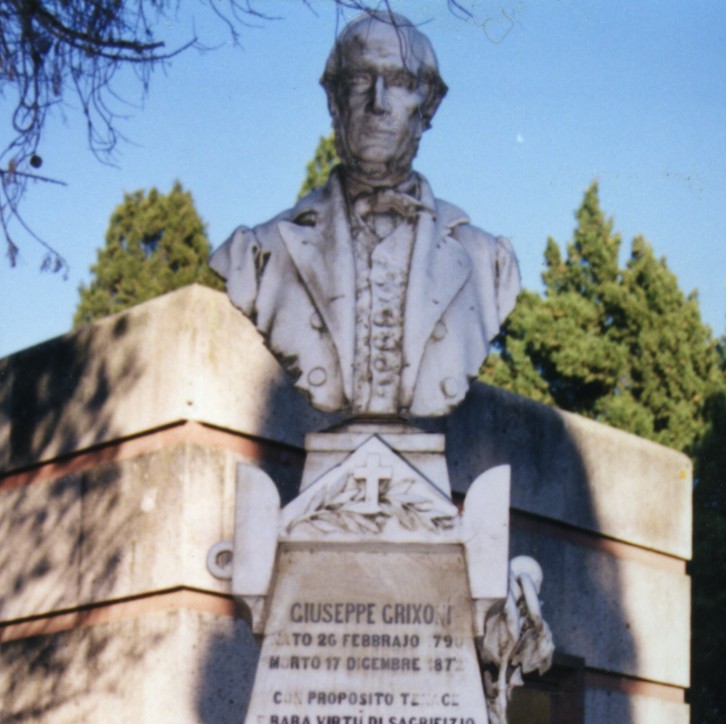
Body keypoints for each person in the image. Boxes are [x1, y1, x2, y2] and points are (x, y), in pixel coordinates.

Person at [210, 10, 520, 419]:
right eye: (359, 80)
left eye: (400, 83)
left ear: (428, 107)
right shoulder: (259, 253)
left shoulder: (486, 262)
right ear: (334, 101)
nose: (378, 102)